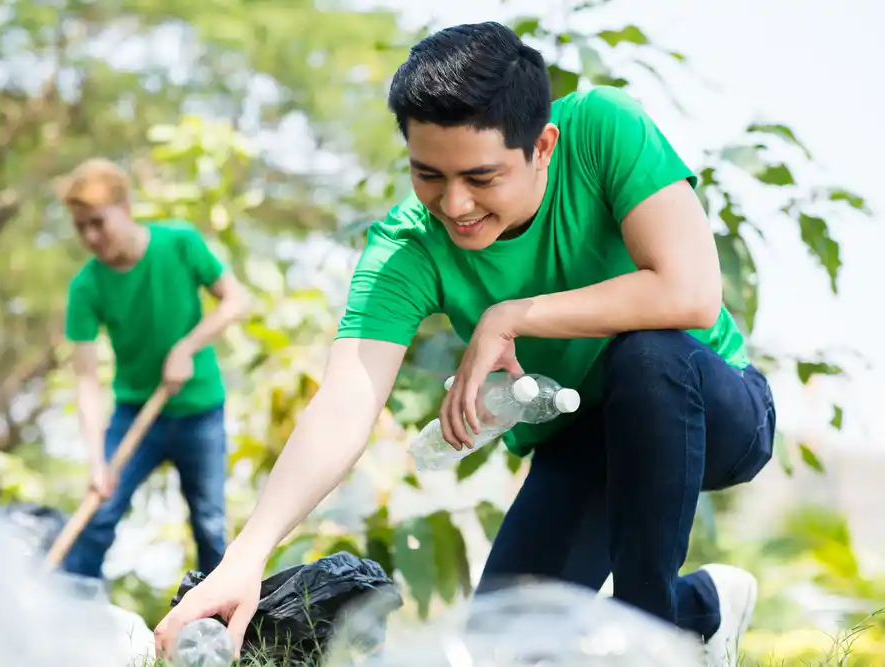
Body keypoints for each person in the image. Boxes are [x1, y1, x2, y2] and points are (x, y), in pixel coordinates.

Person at [155, 22, 776, 667]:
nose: (455, 204)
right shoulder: (406, 246)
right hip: (585, 444)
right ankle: (701, 609)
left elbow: (689, 293)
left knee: (648, 355)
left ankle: (654, 647)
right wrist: (245, 557)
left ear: (542, 146)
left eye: (482, 177)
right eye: (429, 175)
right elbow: (345, 403)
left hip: (710, 408)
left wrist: (509, 316)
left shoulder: (602, 127)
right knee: (502, 648)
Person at [56, 158, 248, 581]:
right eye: (80, 227)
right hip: (134, 415)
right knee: (98, 518)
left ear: (124, 208)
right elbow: (86, 379)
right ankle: (70, 619)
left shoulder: (179, 243)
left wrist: (187, 346)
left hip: (200, 411)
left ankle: (220, 635)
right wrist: (95, 461)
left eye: (97, 222)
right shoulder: (86, 287)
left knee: (210, 525)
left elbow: (235, 300)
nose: (90, 237)